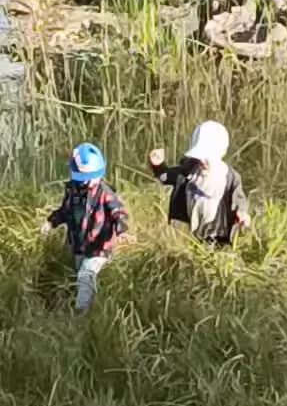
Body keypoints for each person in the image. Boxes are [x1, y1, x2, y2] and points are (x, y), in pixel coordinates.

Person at [41, 142, 129, 312]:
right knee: (80, 276)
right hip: (80, 246)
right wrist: (51, 222)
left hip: (100, 247)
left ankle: (81, 313)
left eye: (94, 177)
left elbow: (118, 212)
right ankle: (91, 305)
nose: (90, 182)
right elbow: (64, 211)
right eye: (85, 178)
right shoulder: (73, 191)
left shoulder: (104, 192)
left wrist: (122, 229)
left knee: (86, 274)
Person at [148, 120, 251, 247]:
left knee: (217, 251)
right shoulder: (188, 172)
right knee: (188, 248)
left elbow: (239, 199)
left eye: (207, 157)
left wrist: (242, 214)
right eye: (199, 156)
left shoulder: (228, 177)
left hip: (218, 232)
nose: (202, 161)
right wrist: (158, 166)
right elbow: (165, 177)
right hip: (190, 233)